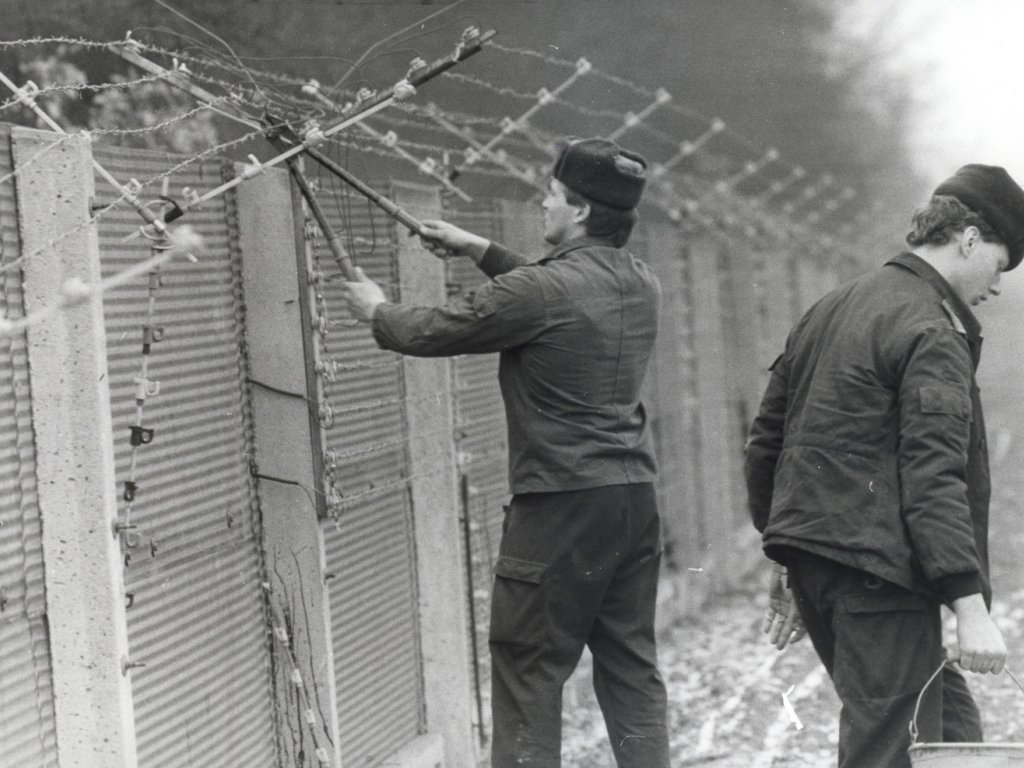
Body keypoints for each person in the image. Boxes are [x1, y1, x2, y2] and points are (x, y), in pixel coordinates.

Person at [340, 137, 670, 768]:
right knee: (630, 666)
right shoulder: (640, 281)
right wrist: (479, 248)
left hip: (559, 505)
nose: (543, 202)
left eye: (550, 194)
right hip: (631, 501)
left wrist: (379, 312)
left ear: (575, 211)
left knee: (526, 667)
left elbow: (437, 328)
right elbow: (560, 292)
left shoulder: (544, 291)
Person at [744, 163, 1024, 767]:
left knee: (951, 730)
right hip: (881, 581)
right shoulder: (931, 329)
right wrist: (969, 607)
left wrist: (791, 556)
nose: (998, 286)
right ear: (970, 239)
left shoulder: (832, 305)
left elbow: (766, 442)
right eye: (1001, 265)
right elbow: (933, 475)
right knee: (889, 752)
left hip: (834, 572)